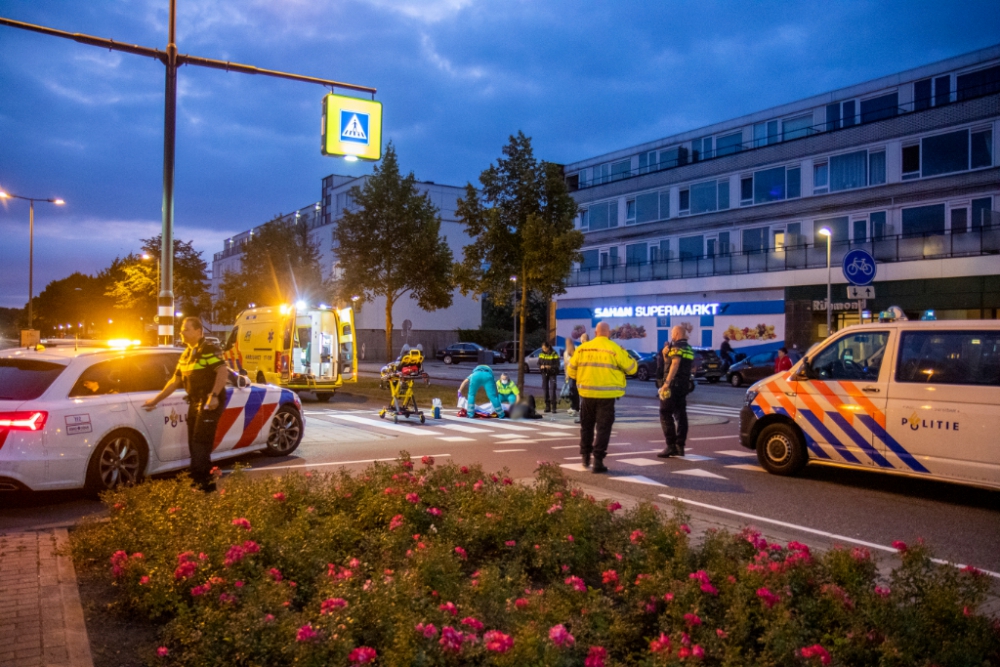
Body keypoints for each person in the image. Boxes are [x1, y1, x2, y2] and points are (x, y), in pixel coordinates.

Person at [143, 317, 229, 491]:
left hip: (209, 401)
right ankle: (204, 479)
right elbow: (175, 381)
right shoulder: (186, 353)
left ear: (199, 331)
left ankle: (201, 483)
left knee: (200, 442)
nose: (182, 332)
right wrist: (156, 400)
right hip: (195, 401)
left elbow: (222, 370)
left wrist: (214, 395)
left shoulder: (209, 348)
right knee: (193, 442)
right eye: (182, 329)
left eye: (186, 329)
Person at [567, 322, 637, 474]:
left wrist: (583, 378)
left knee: (586, 426)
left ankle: (585, 457)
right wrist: (626, 354)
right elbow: (632, 368)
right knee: (603, 428)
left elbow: (571, 370)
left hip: (586, 395)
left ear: (596, 332)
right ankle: (598, 461)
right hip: (607, 396)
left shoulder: (583, 348)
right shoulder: (614, 349)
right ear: (609, 333)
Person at [657, 326, 695, 458]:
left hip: (673, 385)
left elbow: (674, 364)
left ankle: (670, 445)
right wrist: (664, 354)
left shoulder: (677, 347)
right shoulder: (689, 348)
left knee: (665, 413)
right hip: (683, 385)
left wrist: (666, 384)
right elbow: (670, 361)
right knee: (681, 414)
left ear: (678, 334)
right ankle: (680, 446)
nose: (671, 336)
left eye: (673, 333)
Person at [538, 340, 561, 413]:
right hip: (544, 373)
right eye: (542, 348)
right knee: (545, 390)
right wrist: (540, 366)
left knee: (552, 390)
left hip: (552, 374)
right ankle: (547, 406)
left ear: (548, 347)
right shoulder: (541, 354)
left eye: (545, 348)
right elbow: (538, 363)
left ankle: (554, 407)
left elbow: (557, 365)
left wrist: (550, 367)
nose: (543, 350)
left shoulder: (554, 354)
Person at [562, 338, 580, 417]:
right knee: (571, 391)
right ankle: (573, 406)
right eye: (566, 343)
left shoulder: (577, 350)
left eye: (569, 343)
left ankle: (576, 408)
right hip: (570, 375)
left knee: (575, 391)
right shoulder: (566, 353)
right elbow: (566, 364)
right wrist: (566, 374)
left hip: (577, 375)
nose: (568, 345)